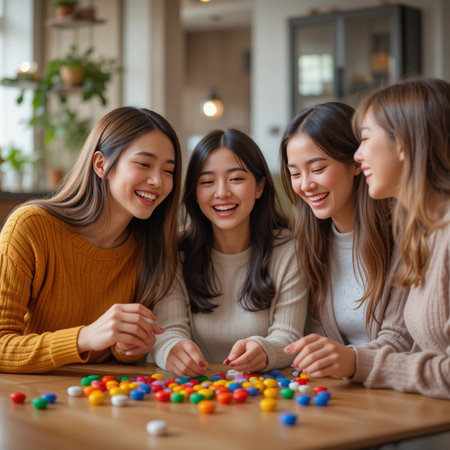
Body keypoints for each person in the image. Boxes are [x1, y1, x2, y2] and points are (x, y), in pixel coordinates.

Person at [0, 106, 182, 373]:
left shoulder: (151, 246)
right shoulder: (31, 227)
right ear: (101, 164)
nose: (158, 181)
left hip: (100, 400)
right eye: (144, 164)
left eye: (169, 171)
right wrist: (83, 338)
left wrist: (126, 348)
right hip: (28, 400)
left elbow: (116, 350)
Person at [150, 129, 308, 376]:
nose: (222, 192)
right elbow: (168, 330)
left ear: (259, 187)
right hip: (194, 393)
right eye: (207, 182)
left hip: (266, 394)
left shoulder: (289, 250)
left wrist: (265, 350)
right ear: (195, 194)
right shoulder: (174, 250)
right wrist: (172, 349)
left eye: (236, 179)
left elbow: (288, 336)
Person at [279, 102, 412, 380]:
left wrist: (349, 360)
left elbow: (401, 341)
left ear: (355, 163)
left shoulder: (406, 235)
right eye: (295, 173)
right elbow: (318, 336)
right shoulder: (309, 241)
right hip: (343, 395)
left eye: (317, 169)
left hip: (400, 395)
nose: (305, 184)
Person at [352, 78, 450, 399]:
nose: (357, 155)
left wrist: (362, 365)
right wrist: (352, 359)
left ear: (403, 143)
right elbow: (413, 344)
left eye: (366, 139)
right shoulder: (419, 231)